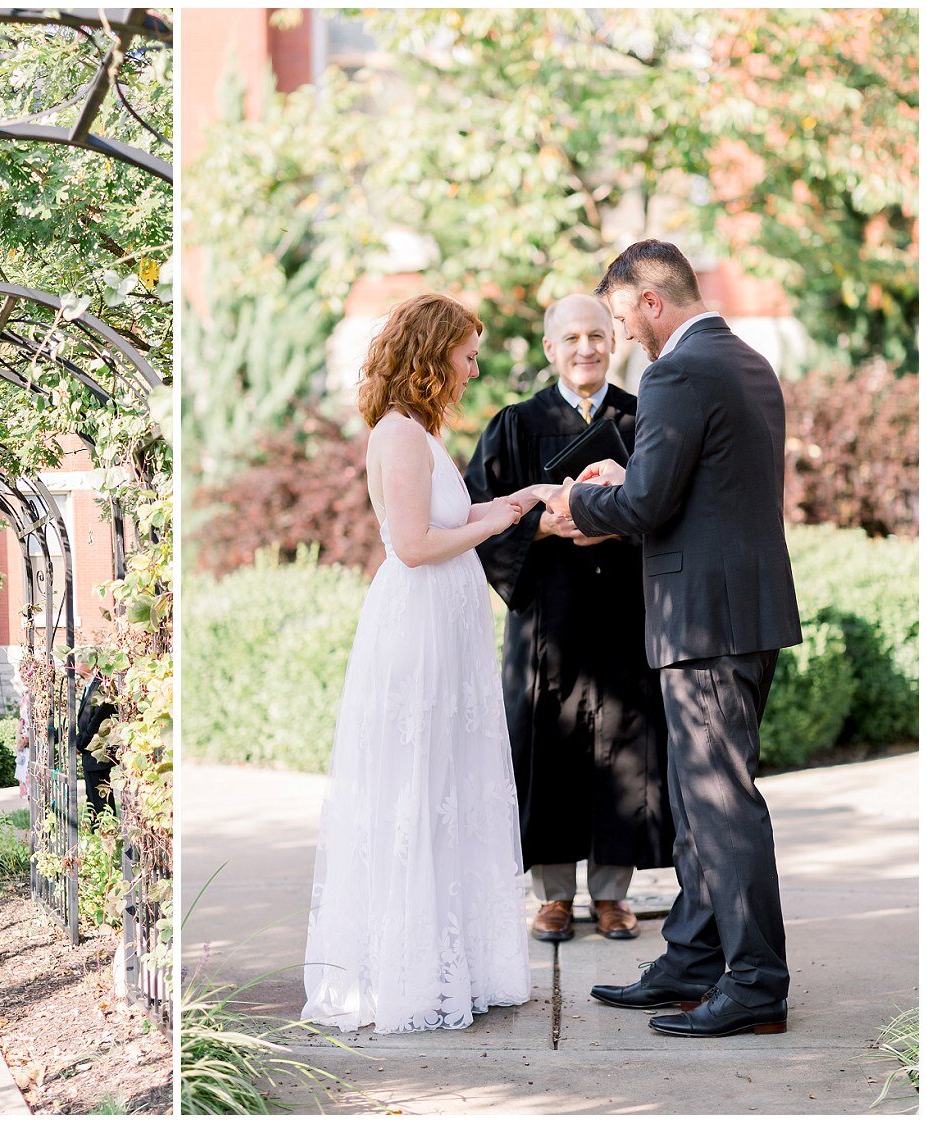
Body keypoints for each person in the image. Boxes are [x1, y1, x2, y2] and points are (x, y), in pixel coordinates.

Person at [542, 240, 802, 1039]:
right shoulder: (748, 360)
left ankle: (755, 981)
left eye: (621, 318)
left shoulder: (678, 371)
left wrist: (576, 512)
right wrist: (625, 484)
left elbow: (652, 501)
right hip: (737, 614)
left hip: (705, 625)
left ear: (652, 301)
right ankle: (692, 957)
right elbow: (701, 487)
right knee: (700, 804)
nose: (621, 336)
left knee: (722, 806)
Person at [302, 293, 540, 1034]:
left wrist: (520, 498)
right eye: (467, 354)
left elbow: (448, 520)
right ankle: (406, 971)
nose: (473, 368)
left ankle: (452, 960)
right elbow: (411, 543)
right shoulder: (399, 435)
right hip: (418, 628)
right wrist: (498, 521)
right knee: (418, 785)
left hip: (447, 625)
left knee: (450, 784)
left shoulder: (421, 433)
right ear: (432, 355)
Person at [464, 294, 673, 944]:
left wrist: (617, 525)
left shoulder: (645, 418)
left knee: (625, 749)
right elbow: (477, 513)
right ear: (551, 348)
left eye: (596, 335)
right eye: (571, 337)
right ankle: (552, 896)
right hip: (546, 623)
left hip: (621, 619)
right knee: (546, 747)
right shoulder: (516, 424)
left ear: (612, 342)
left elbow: (671, 511)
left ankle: (612, 893)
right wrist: (544, 526)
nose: (586, 347)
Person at [74, 658, 118, 818]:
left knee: (101, 798)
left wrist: (80, 743)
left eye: (80, 661)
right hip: (89, 751)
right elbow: (85, 718)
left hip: (97, 751)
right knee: (92, 797)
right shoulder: (88, 686)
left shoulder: (102, 684)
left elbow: (97, 719)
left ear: (92, 664)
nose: (76, 664)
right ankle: (97, 832)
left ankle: (107, 832)